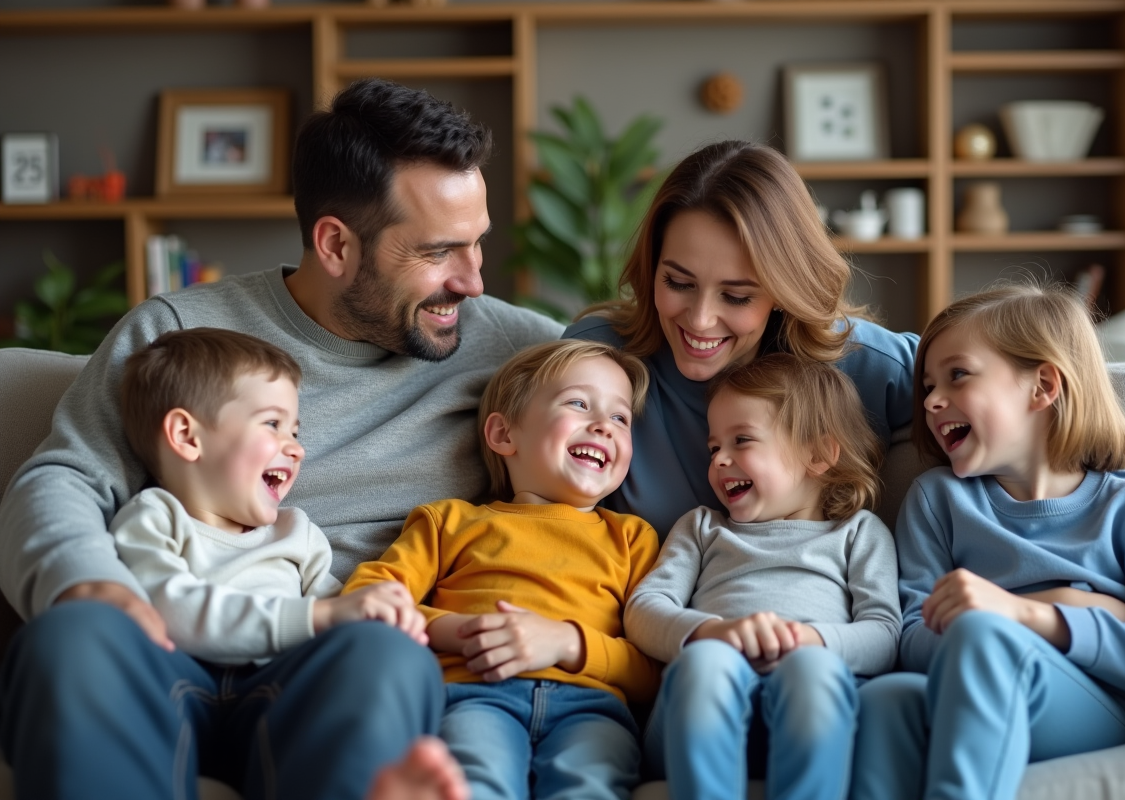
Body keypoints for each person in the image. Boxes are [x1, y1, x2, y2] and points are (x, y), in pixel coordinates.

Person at [0, 78, 563, 800]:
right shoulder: (176, 332)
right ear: (335, 244)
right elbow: (64, 478)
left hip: (332, 660)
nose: (475, 281)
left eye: (478, 244)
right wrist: (86, 582)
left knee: (388, 658)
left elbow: (641, 382)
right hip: (167, 641)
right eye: (439, 252)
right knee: (70, 638)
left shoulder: (511, 349)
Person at [850, 285, 1125, 800]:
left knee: (983, 639)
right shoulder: (937, 500)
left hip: (1107, 706)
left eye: (958, 375)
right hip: (969, 682)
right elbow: (911, 641)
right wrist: (1081, 603)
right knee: (885, 699)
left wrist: (1030, 614)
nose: (931, 400)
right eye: (927, 385)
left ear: (1042, 386)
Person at [342, 339, 662, 800]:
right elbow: (370, 596)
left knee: (589, 787)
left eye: (620, 417)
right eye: (578, 403)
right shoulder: (450, 522)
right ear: (503, 435)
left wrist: (566, 642)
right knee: (477, 781)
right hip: (474, 697)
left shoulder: (633, 538)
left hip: (591, 710)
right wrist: (467, 631)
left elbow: (652, 667)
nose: (603, 426)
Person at [564, 139, 919, 536]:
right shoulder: (597, 359)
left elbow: (992, 392)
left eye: (737, 296)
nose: (700, 320)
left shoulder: (863, 362)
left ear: (783, 291)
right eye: (678, 282)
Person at [625, 353, 901, 800]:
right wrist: (713, 633)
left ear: (818, 454)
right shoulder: (702, 527)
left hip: (812, 709)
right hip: (698, 715)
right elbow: (643, 610)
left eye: (742, 441)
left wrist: (811, 641)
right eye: (715, 447)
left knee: (812, 669)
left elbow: (886, 633)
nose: (719, 460)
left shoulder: (858, 532)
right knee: (706, 662)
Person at [111, 328, 427, 665]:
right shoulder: (153, 519)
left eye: (294, 431)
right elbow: (173, 611)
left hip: (284, 689)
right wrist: (315, 618)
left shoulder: (296, 532)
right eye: (273, 423)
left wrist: (383, 615)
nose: (297, 449)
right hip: (186, 685)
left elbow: (338, 609)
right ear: (187, 436)